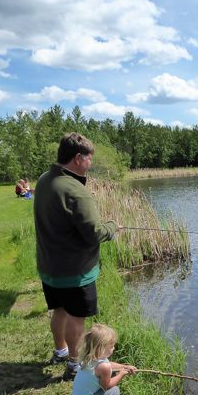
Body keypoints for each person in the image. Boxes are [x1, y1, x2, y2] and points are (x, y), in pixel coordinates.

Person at [34, 133, 118, 380]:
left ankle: (60, 351)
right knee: (76, 317)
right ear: (78, 158)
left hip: (50, 266)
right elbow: (93, 233)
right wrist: (112, 228)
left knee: (59, 310)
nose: (91, 164)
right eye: (89, 159)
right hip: (75, 271)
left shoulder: (44, 180)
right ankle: (74, 364)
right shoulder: (75, 190)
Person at [72, 323, 136, 395]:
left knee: (111, 372)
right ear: (101, 348)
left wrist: (125, 367)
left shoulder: (90, 356)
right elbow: (106, 386)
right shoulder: (103, 367)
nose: (114, 348)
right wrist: (121, 374)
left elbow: (109, 364)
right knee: (115, 392)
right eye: (112, 346)